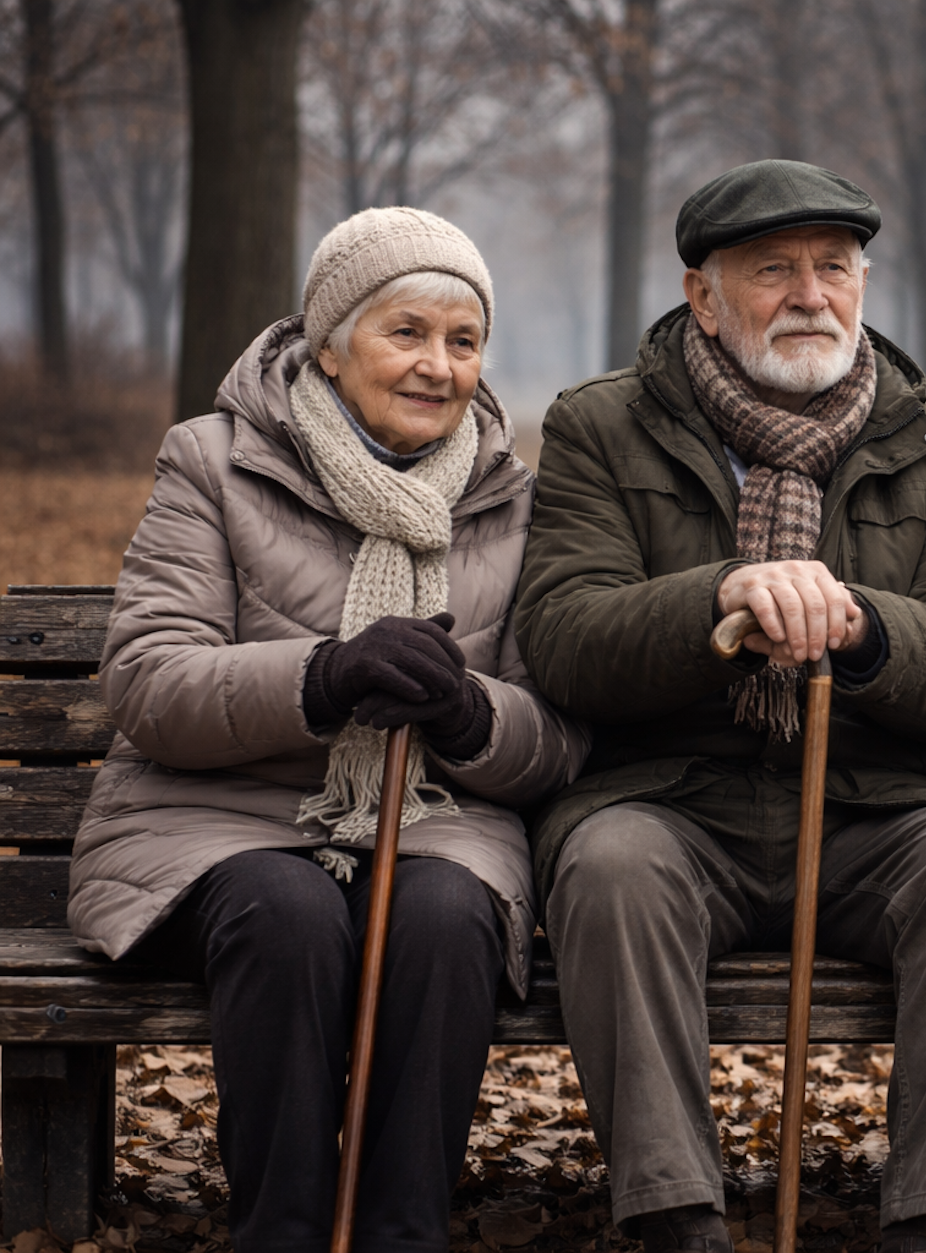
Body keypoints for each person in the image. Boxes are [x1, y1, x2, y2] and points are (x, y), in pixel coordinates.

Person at [513, 159, 926, 1253]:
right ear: (702, 296)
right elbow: (563, 637)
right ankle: (678, 1216)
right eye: (772, 271)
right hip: (667, 800)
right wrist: (717, 597)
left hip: (873, 804)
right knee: (608, 867)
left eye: (833, 268)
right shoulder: (600, 427)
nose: (810, 294)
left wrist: (862, 627)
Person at [69, 206, 589, 1251]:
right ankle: (286, 1229)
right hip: (211, 815)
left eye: (463, 339)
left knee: (445, 917)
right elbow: (148, 682)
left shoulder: (516, 500)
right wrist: (325, 674)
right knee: (287, 907)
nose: (438, 366)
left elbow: (558, 737)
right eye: (406, 332)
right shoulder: (212, 462)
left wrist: (465, 708)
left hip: (435, 814)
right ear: (331, 340)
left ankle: (403, 1231)